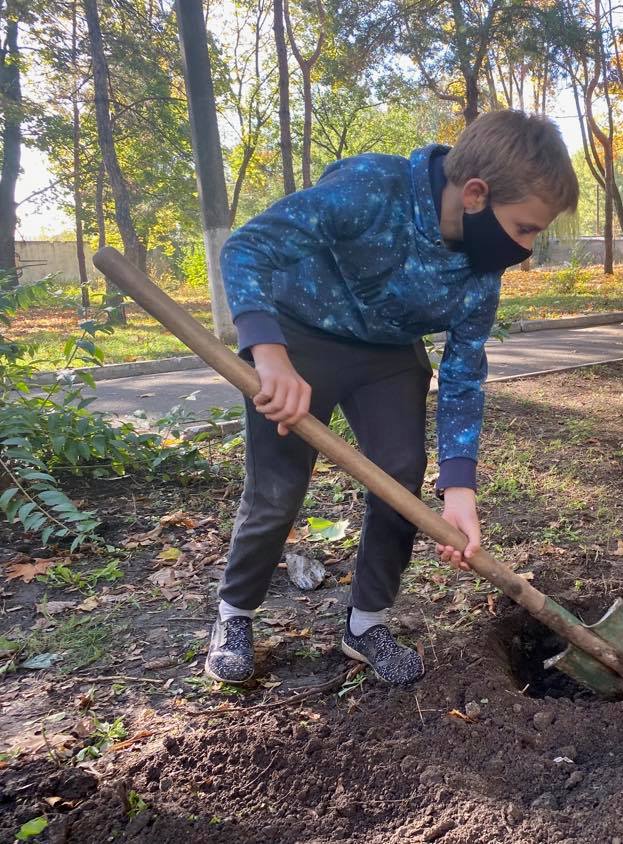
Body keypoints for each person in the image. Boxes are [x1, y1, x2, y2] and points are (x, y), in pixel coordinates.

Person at [205, 111, 579, 686]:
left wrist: (460, 489)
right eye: (525, 229)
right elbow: (247, 249)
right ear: (476, 195)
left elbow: (462, 373)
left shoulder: (480, 272)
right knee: (277, 489)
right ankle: (234, 615)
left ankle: (366, 623)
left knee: (401, 473)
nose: (527, 248)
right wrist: (269, 355)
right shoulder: (370, 190)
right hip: (298, 336)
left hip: (385, 354)